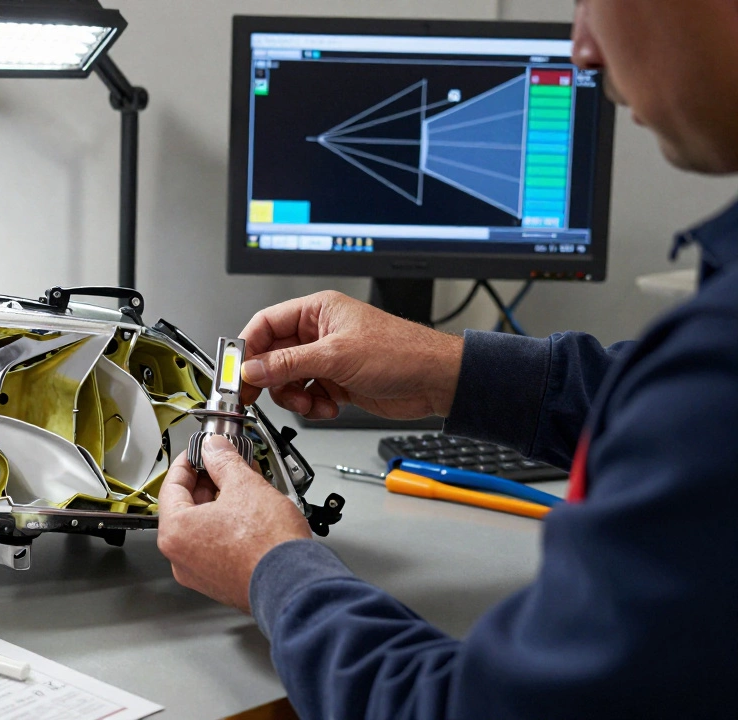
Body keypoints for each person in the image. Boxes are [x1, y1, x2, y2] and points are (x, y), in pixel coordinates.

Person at [156, 1, 738, 717]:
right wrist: (448, 370)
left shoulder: (718, 357)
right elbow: (652, 403)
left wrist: (273, 569)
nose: (582, 50)